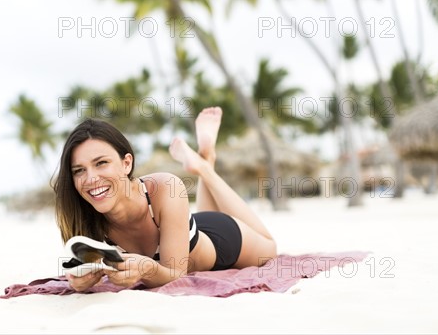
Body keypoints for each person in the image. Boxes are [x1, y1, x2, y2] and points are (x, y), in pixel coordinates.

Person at [53, 107, 277, 291]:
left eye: (101, 163)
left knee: (270, 250)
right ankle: (205, 156)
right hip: (183, 229)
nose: (91, 179)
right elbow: (81, 268)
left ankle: (204, 168)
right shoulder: (83, 213)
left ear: (126, 163)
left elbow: (176, 274)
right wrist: (80, 281)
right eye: (79, 170)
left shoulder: (164, 188)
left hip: (222, 241)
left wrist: (147, 269)